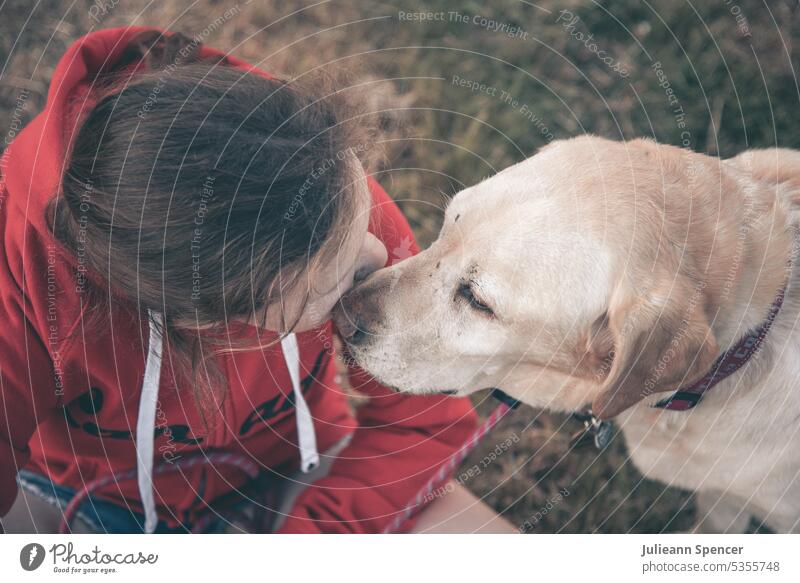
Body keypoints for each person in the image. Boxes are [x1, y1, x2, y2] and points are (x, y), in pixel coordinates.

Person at [0, 27, 513, 533]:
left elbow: (425, 422)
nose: (380, 254)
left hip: (301, 462)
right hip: (92, 498)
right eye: (334, 285)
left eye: (365, 224)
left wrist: (304, 543)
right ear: (203, 317)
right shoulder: (22, 279)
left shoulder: (323, 186)